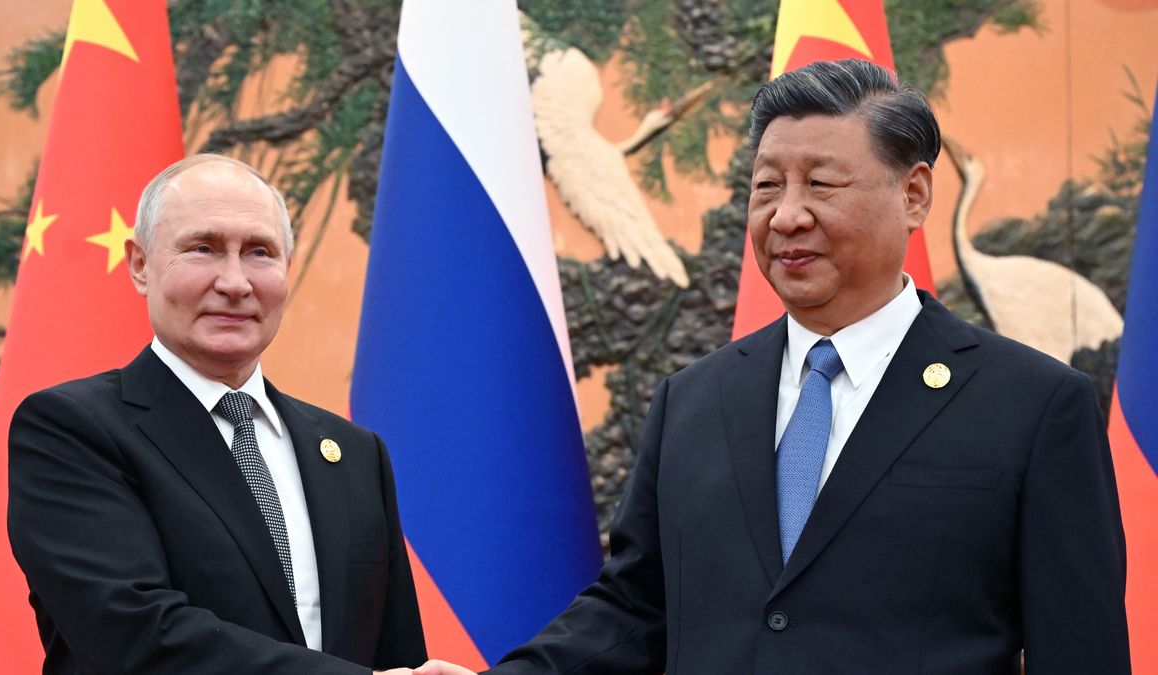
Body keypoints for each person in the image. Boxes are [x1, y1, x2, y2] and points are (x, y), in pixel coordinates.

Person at [417, 59, 1130, 674]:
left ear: (913, 195)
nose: (786, 215)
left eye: (821, 184)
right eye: (766, 187)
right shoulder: (694, 401)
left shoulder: (1032, 406)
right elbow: (634, 609)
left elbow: (1080, 648)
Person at [8, 154, 427, 674]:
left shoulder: (355, 453)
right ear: (140, 265)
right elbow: (133, 637)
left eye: (259, 252)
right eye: (203, 249)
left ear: (287, 269)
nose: (235, 282)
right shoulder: (71, 430)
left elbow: (396, 652)